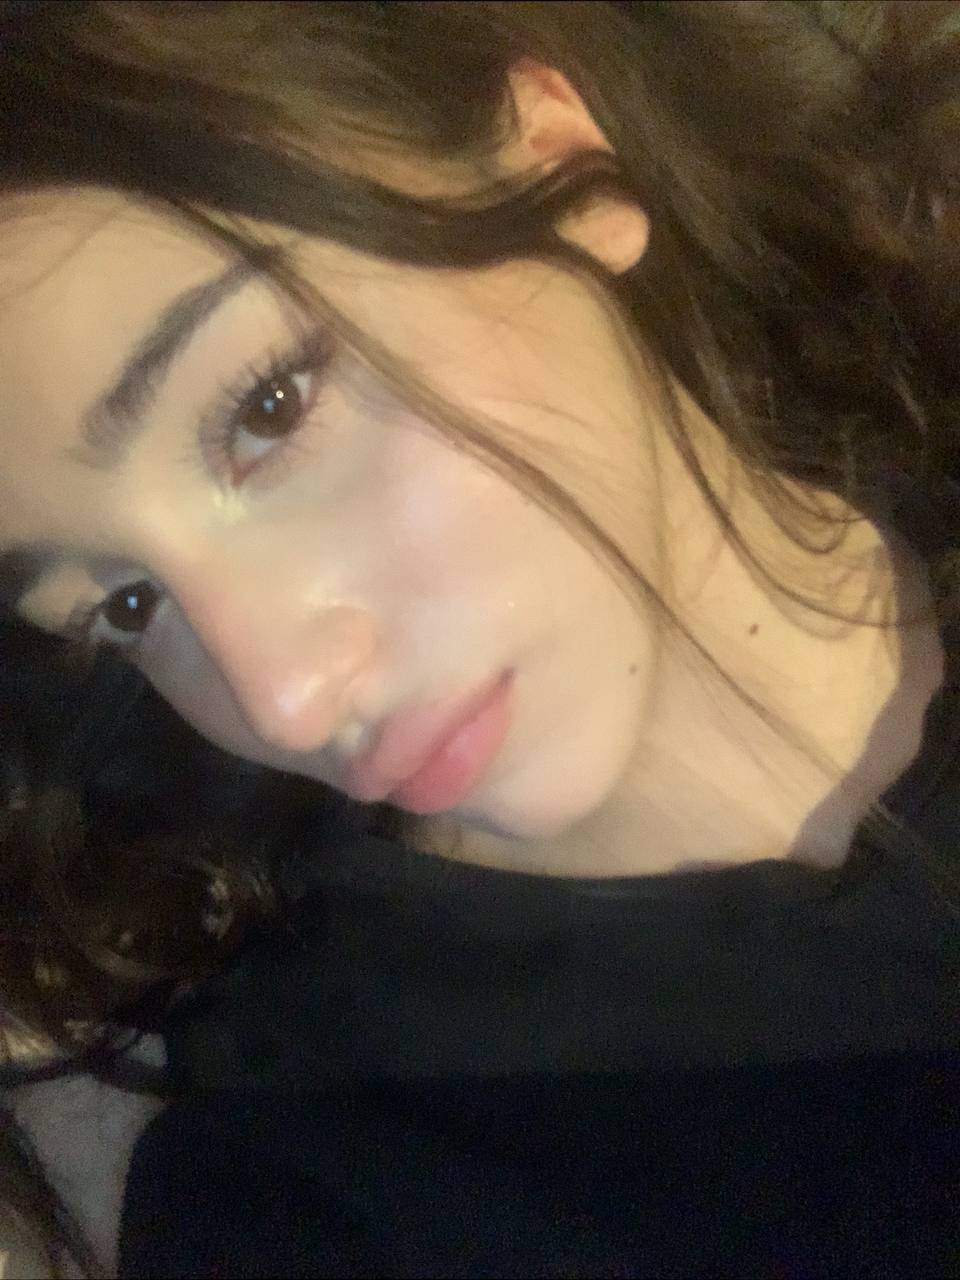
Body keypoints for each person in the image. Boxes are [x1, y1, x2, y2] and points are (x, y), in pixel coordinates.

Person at [0, 0, 959, 1274]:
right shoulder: (320, 1189)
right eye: (125, 603)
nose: (282, 700)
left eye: (268, 408)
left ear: (558, 160)